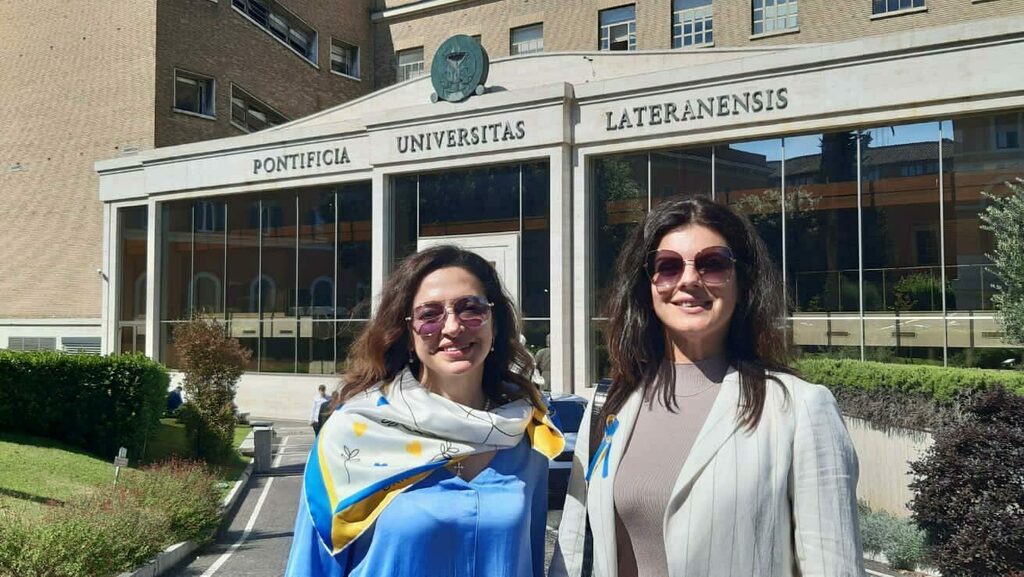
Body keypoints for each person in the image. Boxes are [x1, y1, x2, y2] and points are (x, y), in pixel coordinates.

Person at [551, 196, 863, 577]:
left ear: (742, 280)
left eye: (712, 263)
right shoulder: (609, 405)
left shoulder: (800, 409)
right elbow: (571, 551)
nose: (688, 280)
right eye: (667, 266)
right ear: (647, 285)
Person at [285, 245, 564, 577]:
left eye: (470, 309)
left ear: (495, 323)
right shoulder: (351, 435)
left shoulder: (524, 436)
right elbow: (311, 566)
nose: (452, 327)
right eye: (429, 315)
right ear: (407, 333)